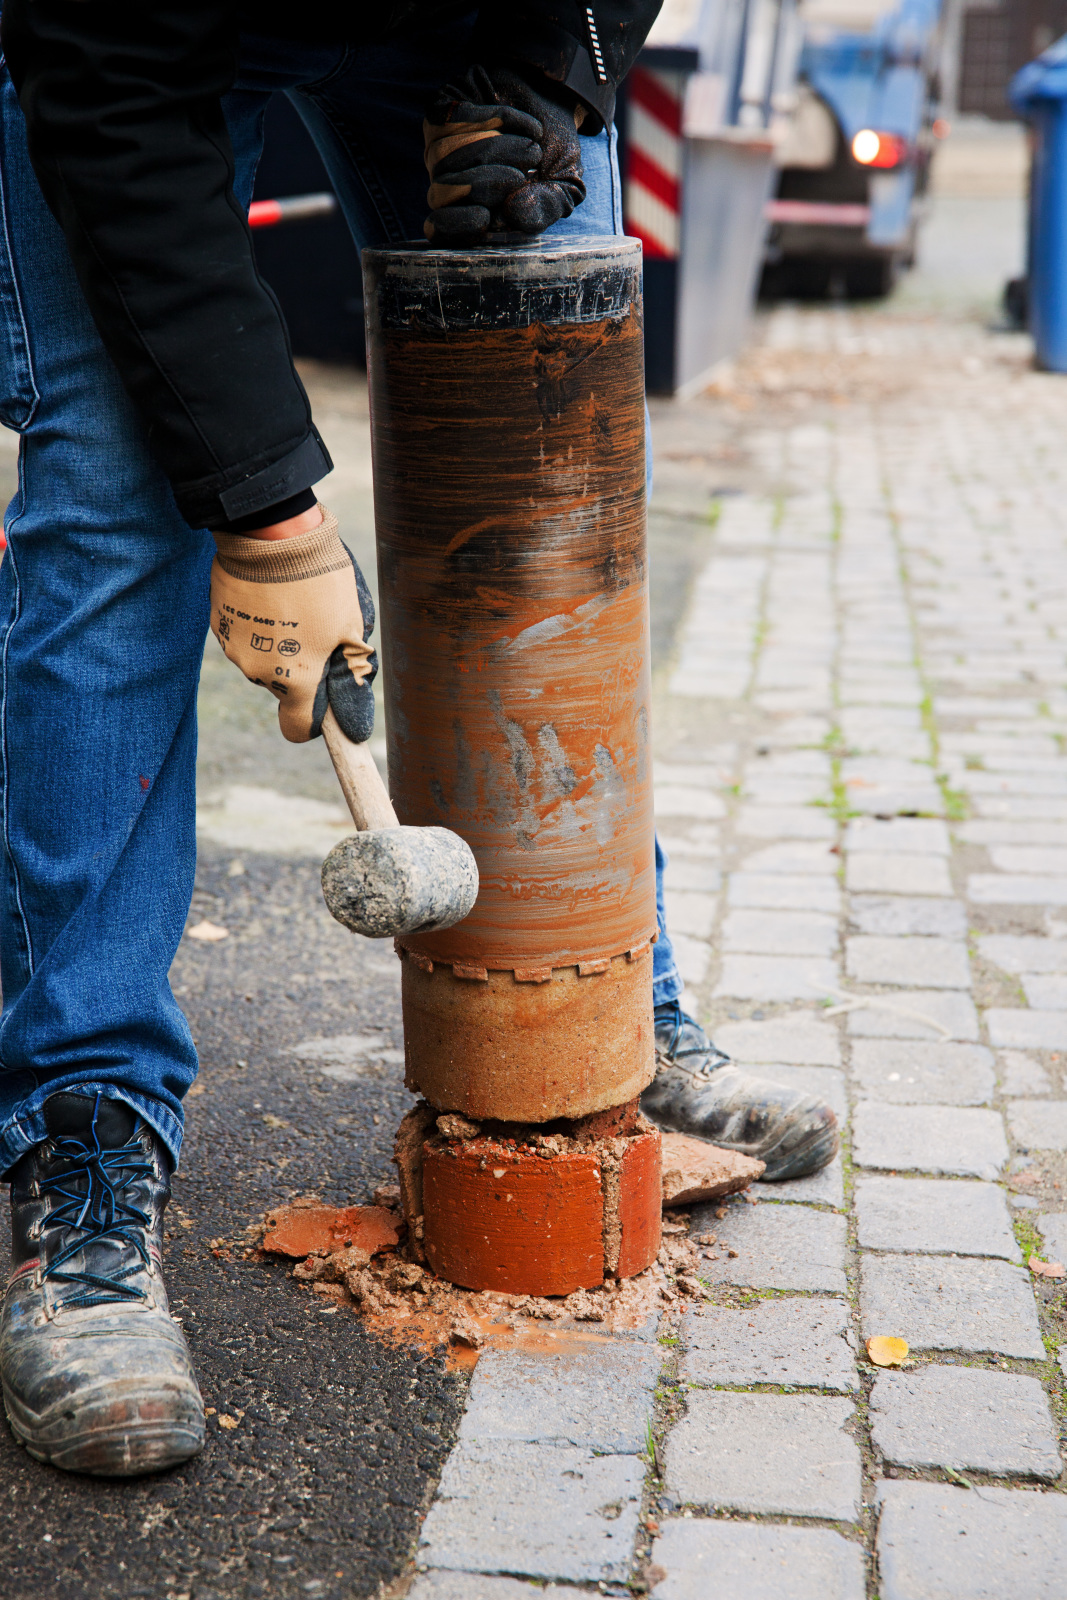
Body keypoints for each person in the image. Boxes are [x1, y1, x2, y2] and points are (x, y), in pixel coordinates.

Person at [0, 1, 837, 1477]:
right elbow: (109, 80)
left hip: (462, 21)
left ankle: (601, 1010)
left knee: (545, 412)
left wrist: (540, 80)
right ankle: (82, 1137)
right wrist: (267, 514)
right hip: (127, 46)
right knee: (123, 505)